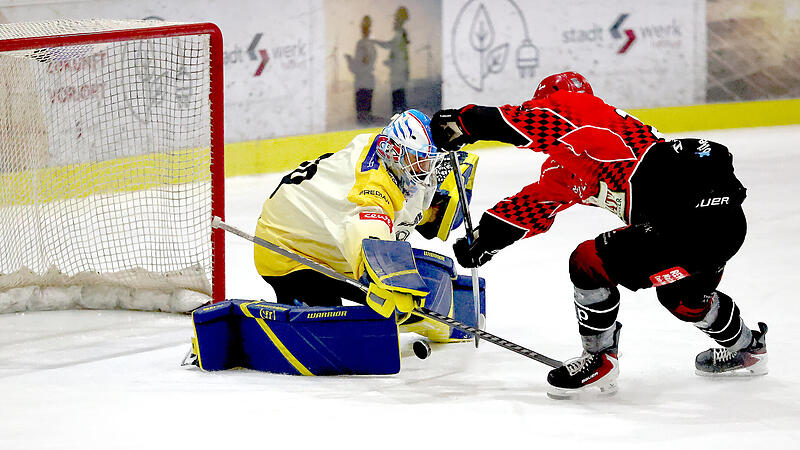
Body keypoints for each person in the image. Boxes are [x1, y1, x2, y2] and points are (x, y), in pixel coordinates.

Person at [430, 71, 768, 398]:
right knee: (684, 301)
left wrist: (466, 123)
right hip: (718, 228)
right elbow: (537, 202)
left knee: (589, 261)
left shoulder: (581, 109)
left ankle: (599, 359)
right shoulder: (577, 159)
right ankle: (748, 349)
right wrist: (487, 238)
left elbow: (535, 121)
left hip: (691, 220)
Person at [254, 109, 480, 329]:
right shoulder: (370, 191)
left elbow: (401, 206)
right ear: (395, 152)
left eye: (430, 160)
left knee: (421, 291)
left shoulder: (388, 155)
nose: (427, 168)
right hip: (287, 249)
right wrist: (387, 281)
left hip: (322, 230)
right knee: (332, 326)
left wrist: (432, 214)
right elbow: (366, 233)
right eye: (420, 159)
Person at [345, 16, 379, 124]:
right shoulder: (372, 46)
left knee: (362, 118)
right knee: (367, 115)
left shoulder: (362, 45)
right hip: (368, 83)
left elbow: (358, 67)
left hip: (362, 84)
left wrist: (349, 60)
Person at [378, 6, 410, 114]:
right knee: (399, 95)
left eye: (396, 19)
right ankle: (400, 115)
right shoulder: (401, 35)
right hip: (398, 72)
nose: (393, 22)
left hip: (398, 72)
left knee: (398, 96)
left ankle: (399, 117)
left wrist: (375, 41)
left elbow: (392, 48)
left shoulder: (399, 35)